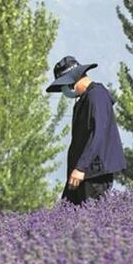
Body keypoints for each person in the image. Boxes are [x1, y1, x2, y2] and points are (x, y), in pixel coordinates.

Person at [46, 56, 126, 205]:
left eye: (66, 84)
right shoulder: (85, 99)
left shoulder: (97, 95)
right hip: (80, 175)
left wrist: (81, 167)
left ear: (74, 80)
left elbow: (98, 134)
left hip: (93, 175)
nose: (66, 90)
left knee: (90, 223)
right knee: (65, 219)